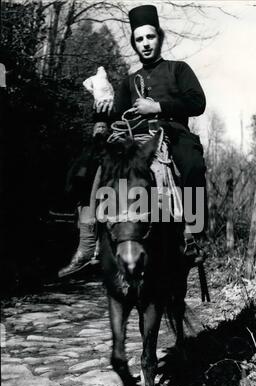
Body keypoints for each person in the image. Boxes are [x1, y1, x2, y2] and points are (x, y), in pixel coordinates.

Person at [98, 4, 208, 259]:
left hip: (174, 133)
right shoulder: (128, 81)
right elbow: (118, 116)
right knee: (99, 166)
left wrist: (157, 106)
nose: (145, 43)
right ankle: (92, 237)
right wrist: (102, 109)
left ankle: (193, 232)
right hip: (136, 139)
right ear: (134, 44)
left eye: (150, 36)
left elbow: (197, 103)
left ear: (159, 37)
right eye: (139, 39)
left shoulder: (178, 69)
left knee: (192, 164)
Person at [58, 115, 109, 278]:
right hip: (85, 192)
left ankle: (97, 253)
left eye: (103, 127)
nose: (100, 128)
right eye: (98, 127)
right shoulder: (85, 148)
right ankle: (86, 252)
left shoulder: (111, 147)